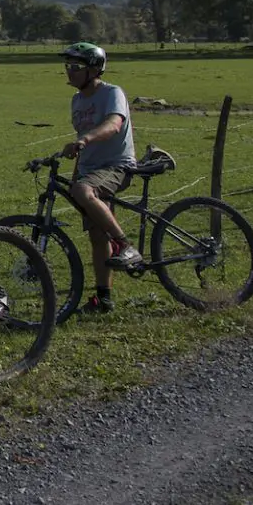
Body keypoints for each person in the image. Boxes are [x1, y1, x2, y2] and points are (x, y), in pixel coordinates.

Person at [59, 41, 141, 314]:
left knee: (84, 192)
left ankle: (125, 245)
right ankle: (104, 299)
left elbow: (114, 124)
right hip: (91, 172)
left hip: (117, 166)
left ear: (94, 70)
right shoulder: (77, 100)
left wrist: (84, 139)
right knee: (96, 235)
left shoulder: (111, 93)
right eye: (67, 66)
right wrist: (76, 174)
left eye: (76, 67)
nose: (69, 71)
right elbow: (84, 150)